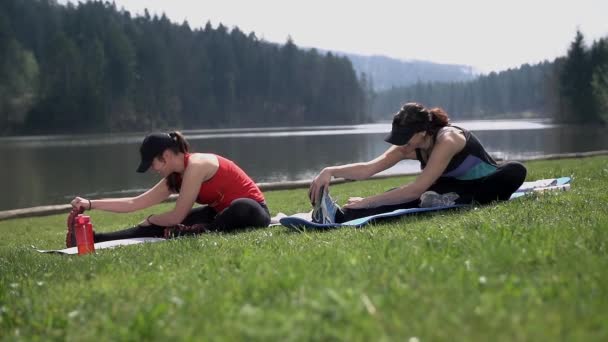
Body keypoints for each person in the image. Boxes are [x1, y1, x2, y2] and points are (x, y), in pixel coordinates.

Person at [308, 102, 527, 224]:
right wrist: (330, 171)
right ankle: (337, 216)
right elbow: (369, 168)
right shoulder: (411, 144)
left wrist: (369, 201)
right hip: (447, 188)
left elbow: (416, 189)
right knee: (400, 195)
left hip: (484, 183)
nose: (401, 145)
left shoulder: (448, 139)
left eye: (405, 138)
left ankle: (452, 200)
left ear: (422, 132)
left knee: (515, 170)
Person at [67, 131, 270, 247]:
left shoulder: (197, 165)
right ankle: (95, 239)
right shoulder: (175, 176)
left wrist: (153, 218)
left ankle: (195, 232)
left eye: (153, 163)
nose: (153, 169)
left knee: (241, 206)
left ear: (165, 156)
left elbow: (176, 216)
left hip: (254, 212)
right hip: (218, 215)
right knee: (155, 226)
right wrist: (90, 204)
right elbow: (134, 203)